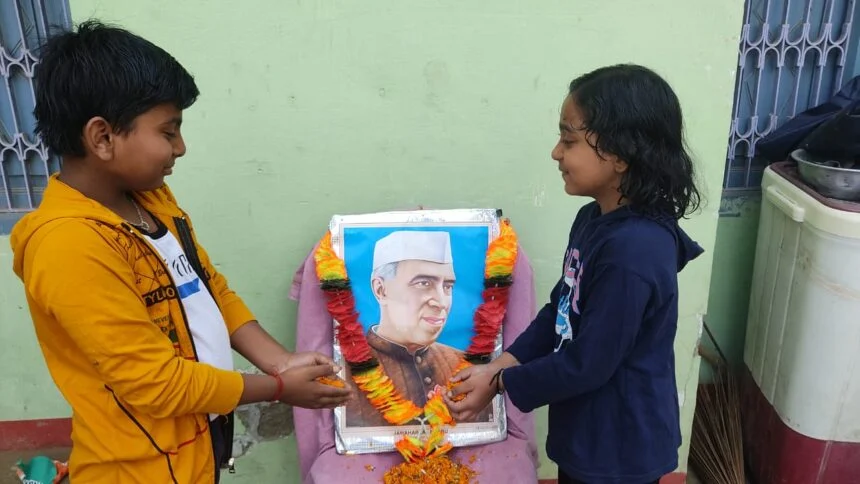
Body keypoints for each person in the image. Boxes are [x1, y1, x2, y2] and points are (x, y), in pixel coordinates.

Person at [9, 21, 351, 484]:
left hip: (195, 453)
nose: (181, 148)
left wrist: (280, 361)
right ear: (102, 137)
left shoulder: (149, 199)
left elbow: (209, 289)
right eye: (168, 131)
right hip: (137, 471)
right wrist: (277, 387)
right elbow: (156, 383)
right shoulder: (68, 244)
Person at [445, 64, 705, 484]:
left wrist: (500, 384)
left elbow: (589, 364)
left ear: (621, 155)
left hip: (620, 447)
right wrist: (500, 364)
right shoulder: (593, 219)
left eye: (569, 140)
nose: (556, 153)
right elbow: (561, 308)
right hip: (587, 430)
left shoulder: (633, 253)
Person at [346, 230, 490, 426]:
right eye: (423, 283)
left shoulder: (466, 367)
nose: (441, 302)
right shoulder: (344, 373)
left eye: (447, 286)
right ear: (381, 290)